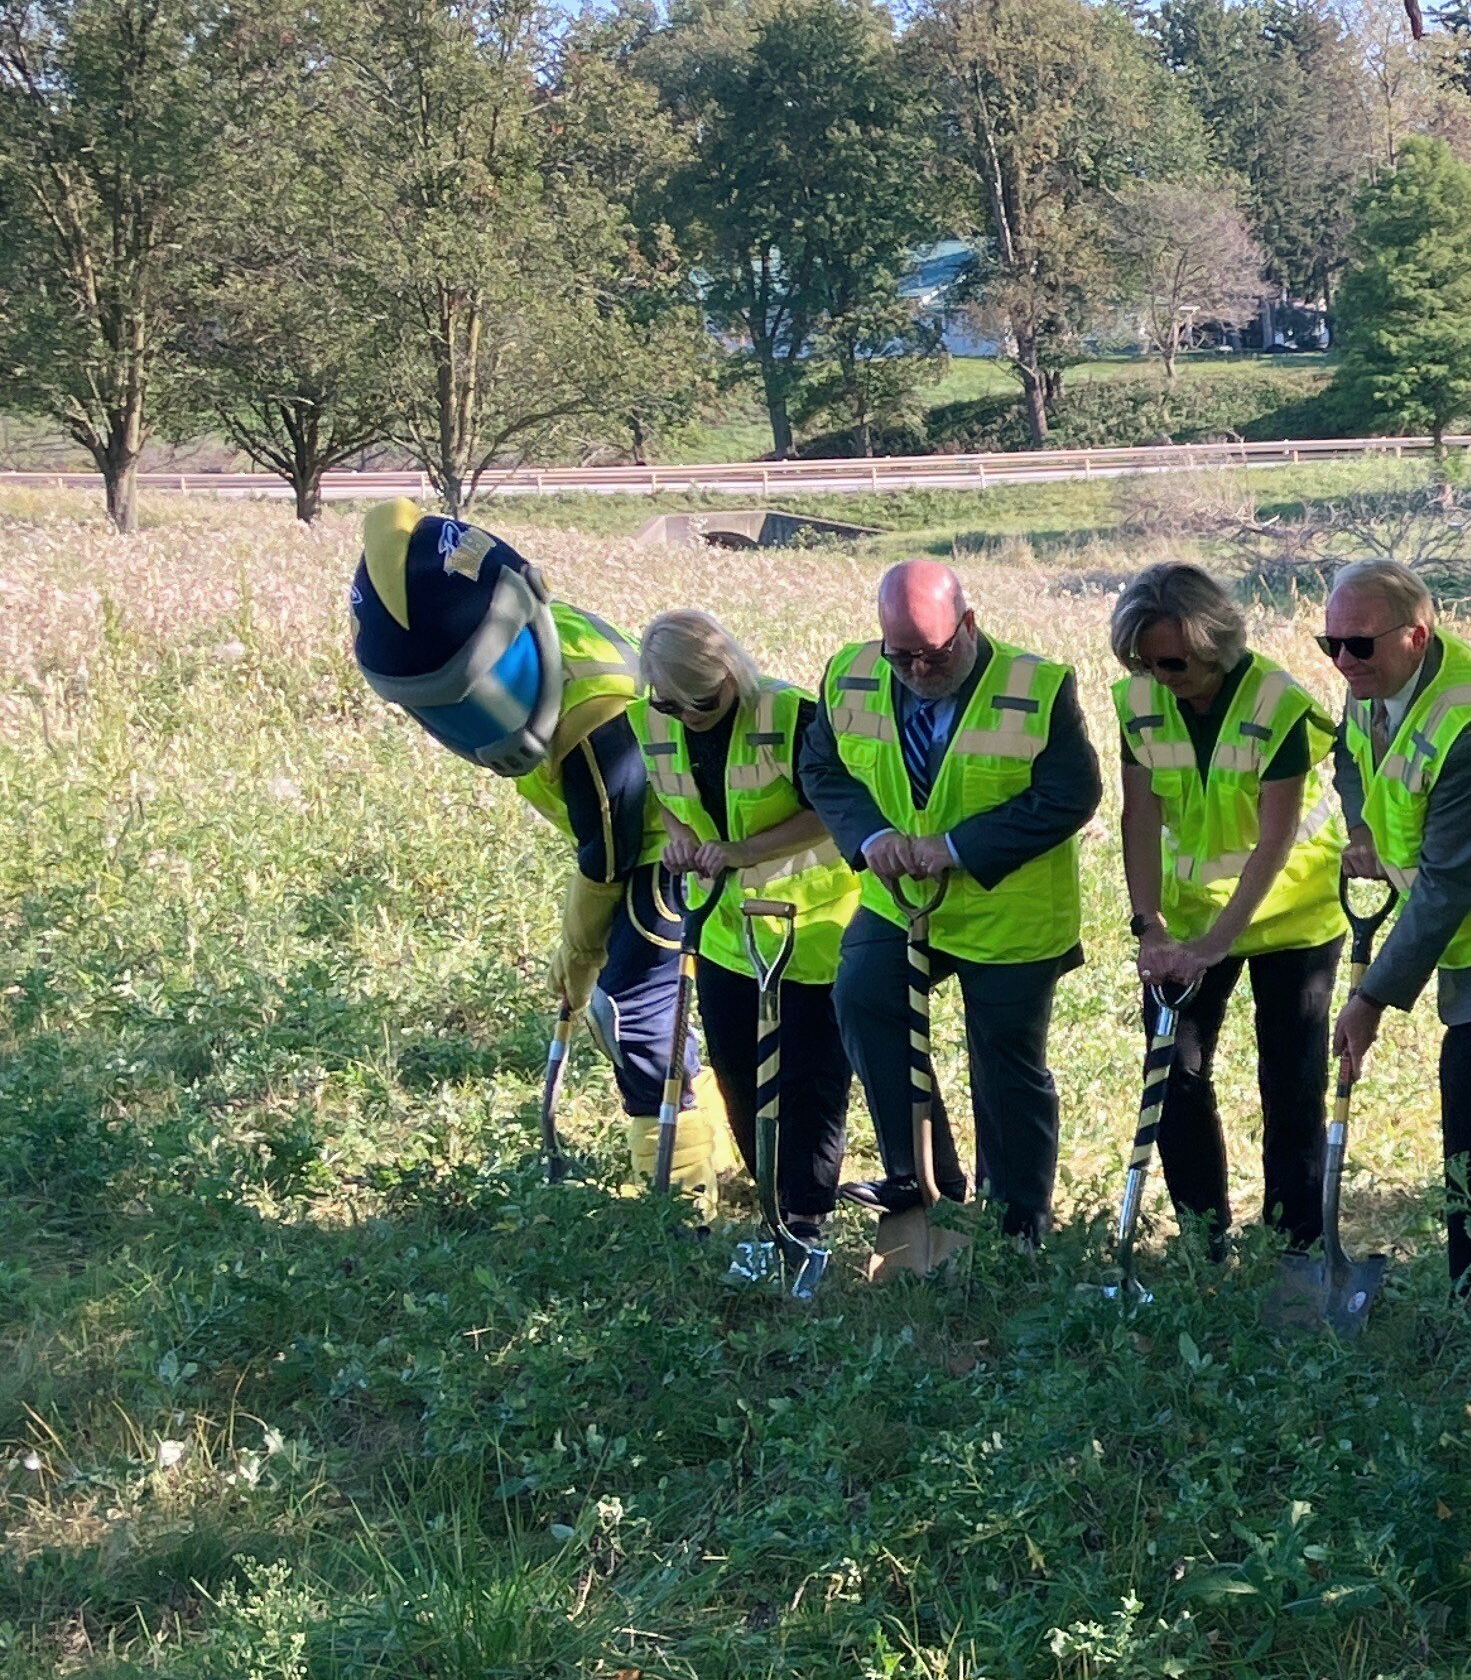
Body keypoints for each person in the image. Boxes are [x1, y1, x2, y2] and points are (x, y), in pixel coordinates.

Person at [345, 507, 727, 1192]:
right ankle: (708, 1140)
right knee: (646, 1006)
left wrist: (579, 956)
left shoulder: (595, 713)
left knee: (630, 1008)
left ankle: (684, 1188)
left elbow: (607, 856)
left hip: (678, 845)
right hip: (639, 841)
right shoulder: (540, 635)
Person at [801, 559, 1101, 1242]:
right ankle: (920, 1175)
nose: (916, 670)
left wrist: (959, 847)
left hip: (1009, 913)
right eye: (899, 655)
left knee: (1004, 1064)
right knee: (864, 997)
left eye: (931, 655)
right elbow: (820, 766)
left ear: (968, 624)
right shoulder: (848, 675)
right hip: (898, 898)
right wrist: (870, 834)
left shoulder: (1037, 687)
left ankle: (1016, 1217)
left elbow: (1070, 795)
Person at [1321, 557, 1471, 1299]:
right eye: (1328, 643)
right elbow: (1352, 755)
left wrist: (1372, 999)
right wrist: (1363, 823)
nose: (1342, 661)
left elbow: (1450, 882)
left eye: (1359, 645)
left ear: (1417, 637)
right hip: (1461, 918)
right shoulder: (1372, 681)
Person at [1108, 561, 1344, 1254]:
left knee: (1291, 1084)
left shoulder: (1276, 702)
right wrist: (1148, 923)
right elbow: (1139, 816)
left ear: (1214, 645)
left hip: (1292, 915)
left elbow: (1275, 839)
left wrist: (1218, 944)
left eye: (1174, 662)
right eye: (1144, 663)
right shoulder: (1141, 701)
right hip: (1185, 921)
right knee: (1173, 1070)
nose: (1160, 677)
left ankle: (1294, 1243)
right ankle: (1202, 1237)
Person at [636, 607, 862, 1241]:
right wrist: (680, 840)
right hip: (723, 931)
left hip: (812, 927)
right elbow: (668, 797)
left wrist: (742, 852)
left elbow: (831, 813)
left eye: (700, 702)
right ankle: (771, 1206)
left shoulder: (793, 717)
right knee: (737, 1071)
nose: (688, 716)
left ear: (730, 672)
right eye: (671, 705)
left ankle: (806, 1215)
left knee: (808, 1079)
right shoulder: (653, 722)